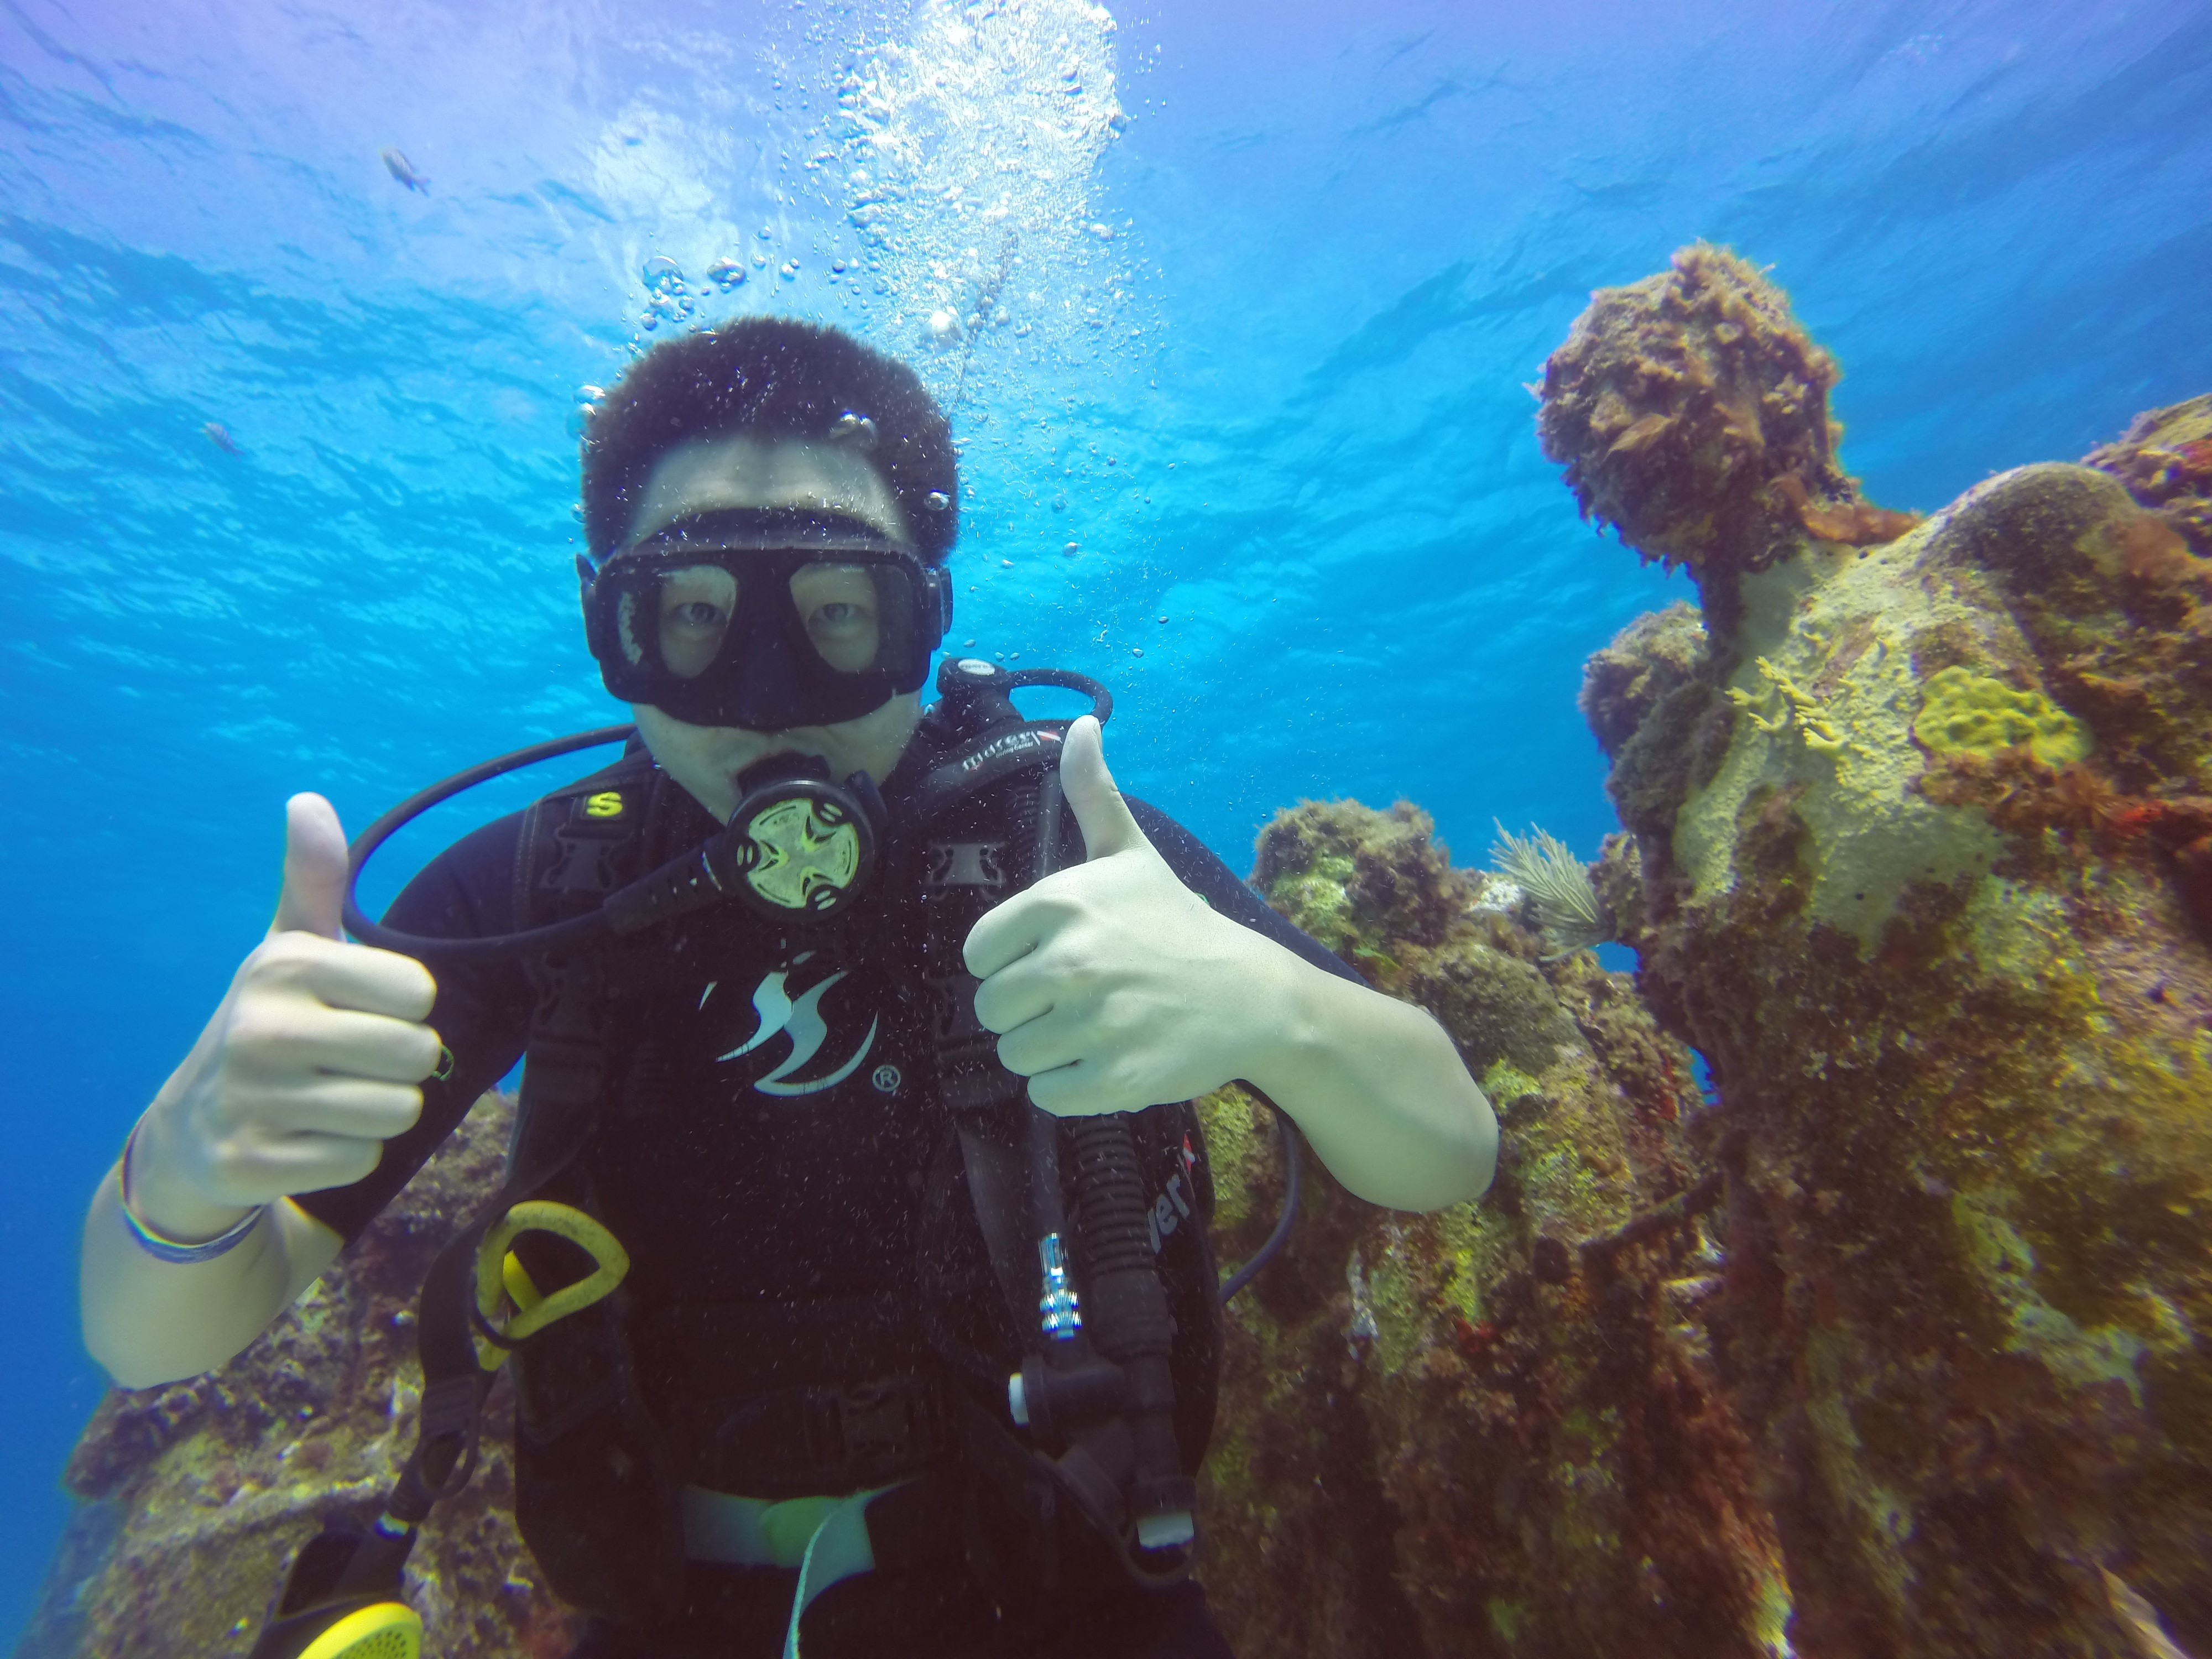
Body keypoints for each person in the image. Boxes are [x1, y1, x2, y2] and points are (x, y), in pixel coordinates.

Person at [80, 319, 1498, 1658]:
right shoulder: (542, 893)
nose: (765, 698)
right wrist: (185, 1176)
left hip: (1073, 1594)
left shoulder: (1060, 847)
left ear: (925, 618)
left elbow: (1446, 1149)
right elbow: (148, 1336)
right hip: (667, 1612)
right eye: (690, 617)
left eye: (835, 613)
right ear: (607, 623)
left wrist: (1279, 1011)